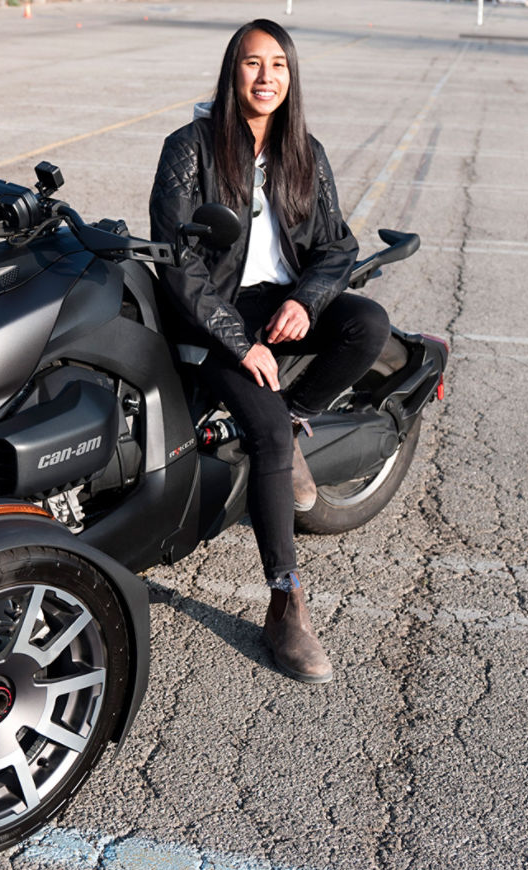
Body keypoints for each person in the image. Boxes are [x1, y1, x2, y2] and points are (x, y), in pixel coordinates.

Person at [149, 19, 390, 684]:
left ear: (291, 77)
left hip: (281, 303)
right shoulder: (190, 148)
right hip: (216, 312)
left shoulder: (303, 153)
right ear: (233, 72)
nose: (266, 77)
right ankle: (286, 602)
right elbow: (178, 261)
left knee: (366, 324)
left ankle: (294, 413)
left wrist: (306, 302)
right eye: (253, 64)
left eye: (278, 65)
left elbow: (337, 247)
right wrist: (237, 338)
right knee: (270, 443)